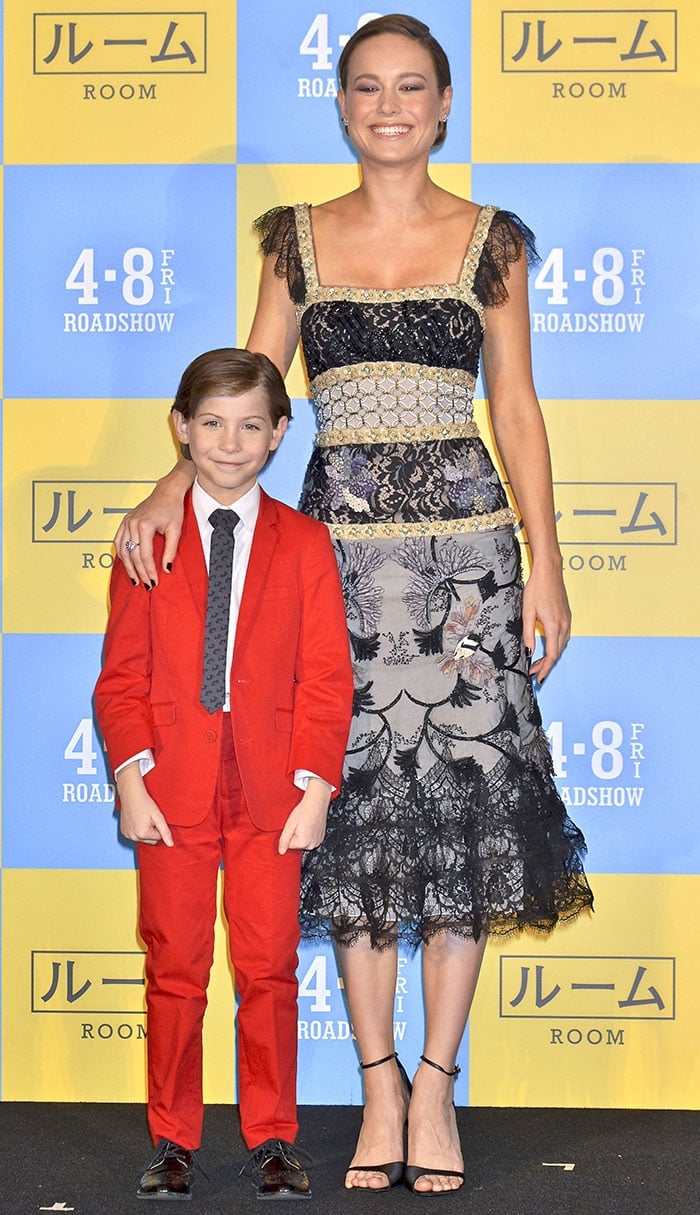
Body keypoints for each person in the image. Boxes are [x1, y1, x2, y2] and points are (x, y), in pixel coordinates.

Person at [115, 14, 594, 1197]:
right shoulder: (295, 239)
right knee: (358, 827)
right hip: (333, 576)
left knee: (465, 827)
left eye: (411, 87)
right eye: (366, 87)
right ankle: (377, 1085)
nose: (389, 106)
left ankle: (435, 1088)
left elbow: (515, 405)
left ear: (444, 105)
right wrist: (168, 489)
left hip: (469, 573)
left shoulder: (490, 240)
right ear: (340, 105)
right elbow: (247, 388)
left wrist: (545, 561)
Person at [95, 348, 353, 1201]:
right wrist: (132, 779)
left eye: (249, 425)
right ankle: (173, 1137)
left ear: (279, 433)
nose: (230, 443)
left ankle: (273, 1134)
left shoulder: (307, 543)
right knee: (174, 965)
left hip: (272, 789)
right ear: (181, 428)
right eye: (211, 423)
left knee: (268, 966)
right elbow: (120, 677)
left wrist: (316, 788)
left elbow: (327, 677)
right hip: (171, 786)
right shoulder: (146, 540)